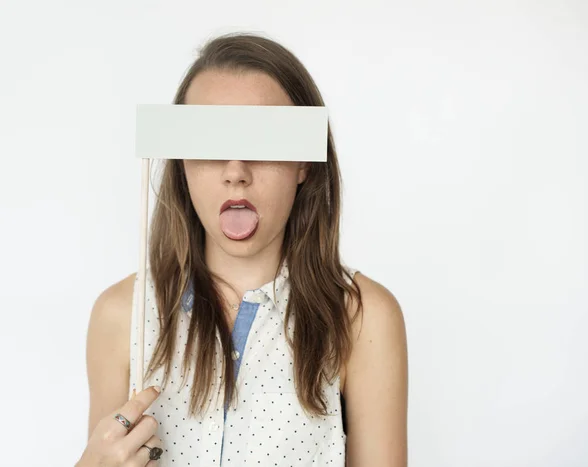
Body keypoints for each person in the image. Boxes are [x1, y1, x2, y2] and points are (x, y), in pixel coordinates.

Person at [77, 32, 408, 467]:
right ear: (180, 159)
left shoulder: (363, 317)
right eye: (210, 143)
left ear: (304, 162)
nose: (236, 171)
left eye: (264, 140)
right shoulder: (122, 315)